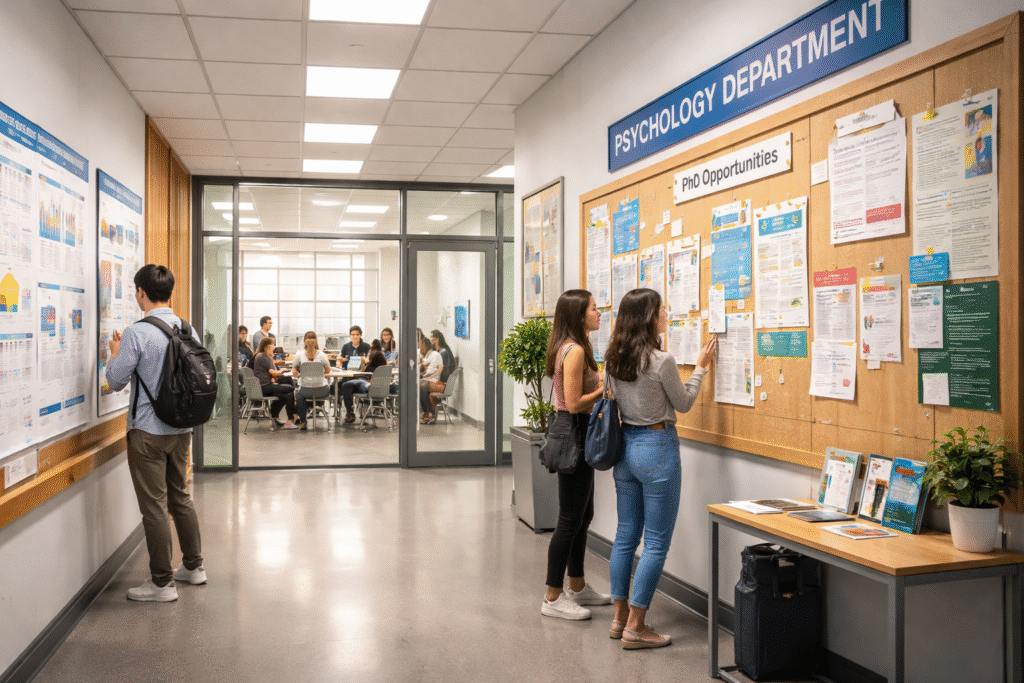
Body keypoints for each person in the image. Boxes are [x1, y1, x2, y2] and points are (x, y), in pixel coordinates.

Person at [604, 288, 716, 649]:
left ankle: (620, 619)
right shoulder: (661, 360)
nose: (666, 314)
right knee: (654, 543)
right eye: (661, 310)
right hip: (657, 449)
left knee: (625, 537)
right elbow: (682, 403)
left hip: (625, 451)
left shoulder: (613, 358)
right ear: (649, 317)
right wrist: (700, 368)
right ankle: (638, 626)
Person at [104, 264, 206, 602]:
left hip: (148, 431)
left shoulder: (136, 332)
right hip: (182, 428)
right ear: (171, 294)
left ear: (141, 294)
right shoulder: (188, 329)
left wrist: (114, 355)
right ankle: (193, 567)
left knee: (154, 507)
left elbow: (115, 381)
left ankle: (162, 583)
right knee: (181, 497)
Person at [540, 290, 609, 621]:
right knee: (569, 520)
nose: (599, 312)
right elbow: (573, 401)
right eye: (594, 308)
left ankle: (578, 586)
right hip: (575, 434)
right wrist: (604, 390)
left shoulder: (576, 346)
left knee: (583, 515)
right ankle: (553, 597)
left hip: (580, 433)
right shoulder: (576, 350)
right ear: (580, 315)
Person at [253, 337, 299, 429]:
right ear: (267, 347)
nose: (274, 347)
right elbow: (273, 373)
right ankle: (290, 419)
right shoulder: (264, 357)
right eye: (273, 345)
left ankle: (275, 417)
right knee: (290, 388)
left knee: (287, 395)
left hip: (261, 387)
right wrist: (282, 370)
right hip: (265, 387)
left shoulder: (259, 356)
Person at [339, 339, 388, 422]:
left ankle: (350, 412)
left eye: (369, 352)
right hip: (366, 380)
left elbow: (369, 372)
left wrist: (364, 365)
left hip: (366, 381)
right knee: (345, 385)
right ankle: (350, 412)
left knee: (345, 385)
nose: (368, 354)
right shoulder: (378, 357)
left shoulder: (377, 355)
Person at [292, 330, 331, 430]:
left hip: (306, 390)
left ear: (304, 341)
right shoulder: (322, 355)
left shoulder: (299, 355)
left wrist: (297, 372)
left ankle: (303, 421)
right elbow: (328, 370)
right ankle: (319, 409)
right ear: (316, 342)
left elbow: (294, 369)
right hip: (322, 390)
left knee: (299, 396)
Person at [335, 325, 371, 422]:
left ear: (360, 335)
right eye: (352, 335)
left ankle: (350, 412)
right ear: (350, 336)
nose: (355, 337)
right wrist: (341, 360)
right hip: (348, 375)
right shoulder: (346, 347)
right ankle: (349, 411)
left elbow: (370, 362)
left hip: (361, 376)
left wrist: (365, 362)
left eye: (357, 335)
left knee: (347, 385)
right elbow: (340, 361)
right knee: (341, 385)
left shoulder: (366, 347)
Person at [419, 329, 454, 424]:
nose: (431, 339)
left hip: (442, 384)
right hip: (438, 381)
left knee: (421, 386)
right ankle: (428, 413)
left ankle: (428, 414)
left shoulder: (443, 353)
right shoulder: (438, 352)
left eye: (433, 337)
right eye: (430, 337)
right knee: (421, 385)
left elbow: (440, 372)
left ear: (438, 339)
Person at [418, 336, 444, 423]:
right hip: (428, 380)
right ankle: (424, 412)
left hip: (435, 381)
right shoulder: (426, 357)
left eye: (421, 346)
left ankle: (428, 412)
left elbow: (433, 371)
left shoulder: (435, 355)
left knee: (422, 386)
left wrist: (423, 372)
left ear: (426, 346)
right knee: (419, 385)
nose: (420, 348)